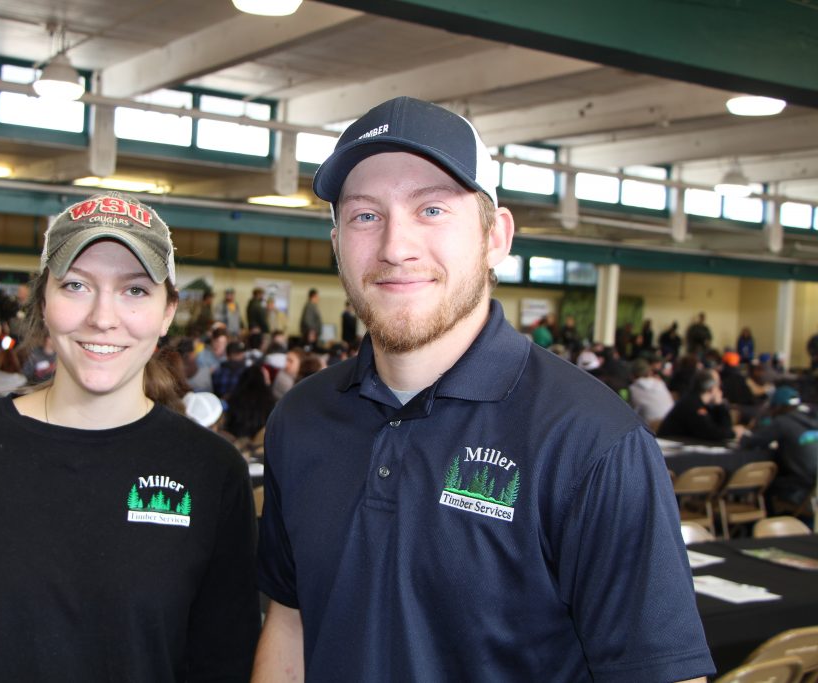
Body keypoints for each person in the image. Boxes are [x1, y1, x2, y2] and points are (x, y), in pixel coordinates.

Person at [253, 97, 712, 682]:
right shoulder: (300, 419)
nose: (396, 247)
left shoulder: (592, 442)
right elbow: (291, 624)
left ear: (496, 237)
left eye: (433, 210)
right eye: (365, 216)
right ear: (338, 242)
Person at [0, 191, 259, 681]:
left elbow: (225, 662)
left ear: (168, 311)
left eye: (135, 290)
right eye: (76, 286)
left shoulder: (212, 471)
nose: (103, 317)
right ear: (43, 300)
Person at [741, 386, 817, 510]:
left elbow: (752, 442)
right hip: (813, 486)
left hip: (801, 486)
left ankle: (763, 523)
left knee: (765, 483)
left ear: (777, 407)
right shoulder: (813, 419)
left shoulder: (782, 421)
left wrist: (744, 434)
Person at [658, 369, 741, 442]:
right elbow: (709, 433)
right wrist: (733, 433)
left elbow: (723, 428)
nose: (720, 390)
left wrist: (719, 406)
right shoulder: (692, 404)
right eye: (718, 386)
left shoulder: (701, 403)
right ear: (711, 388)